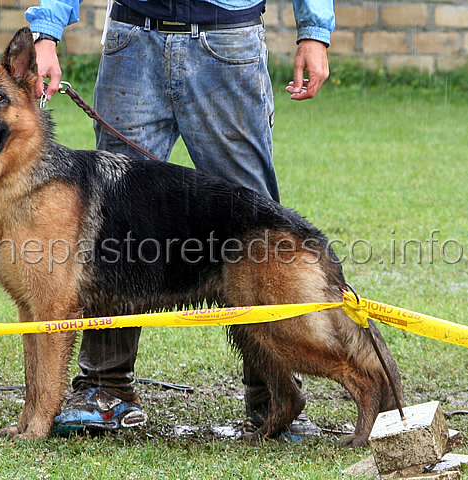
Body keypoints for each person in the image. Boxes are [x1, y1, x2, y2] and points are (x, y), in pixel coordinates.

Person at [25, 0, 335, 435]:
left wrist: (315, 30)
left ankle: (273, 397)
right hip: (132, 37)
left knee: (249, 220)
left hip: (226, 38)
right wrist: (46, 30)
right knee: (109, 224)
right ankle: (105, 389)